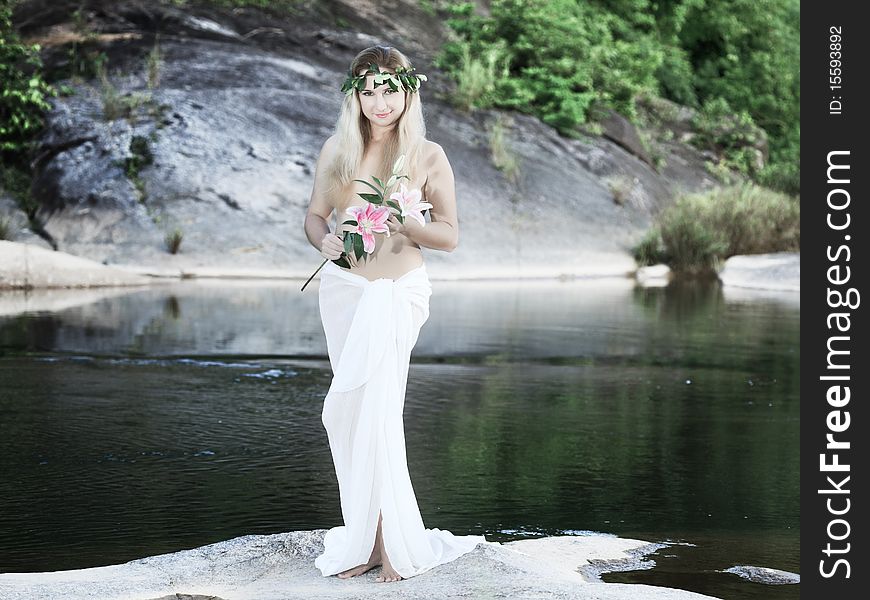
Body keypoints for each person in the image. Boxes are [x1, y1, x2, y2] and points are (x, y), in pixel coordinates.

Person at [303, 45, 485, 583]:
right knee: (348, 413)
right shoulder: (336, 150)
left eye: (390, 89)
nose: (379, 101)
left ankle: (387, 545)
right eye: (369, 89)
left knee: (380, 414)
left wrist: (406, 222)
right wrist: (328, 243)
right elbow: (315, 217)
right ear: (354, 95)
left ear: (409, 92)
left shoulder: (429, 156)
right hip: (345, 294)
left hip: (398, 292)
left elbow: (449, 236)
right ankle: (359, 537)